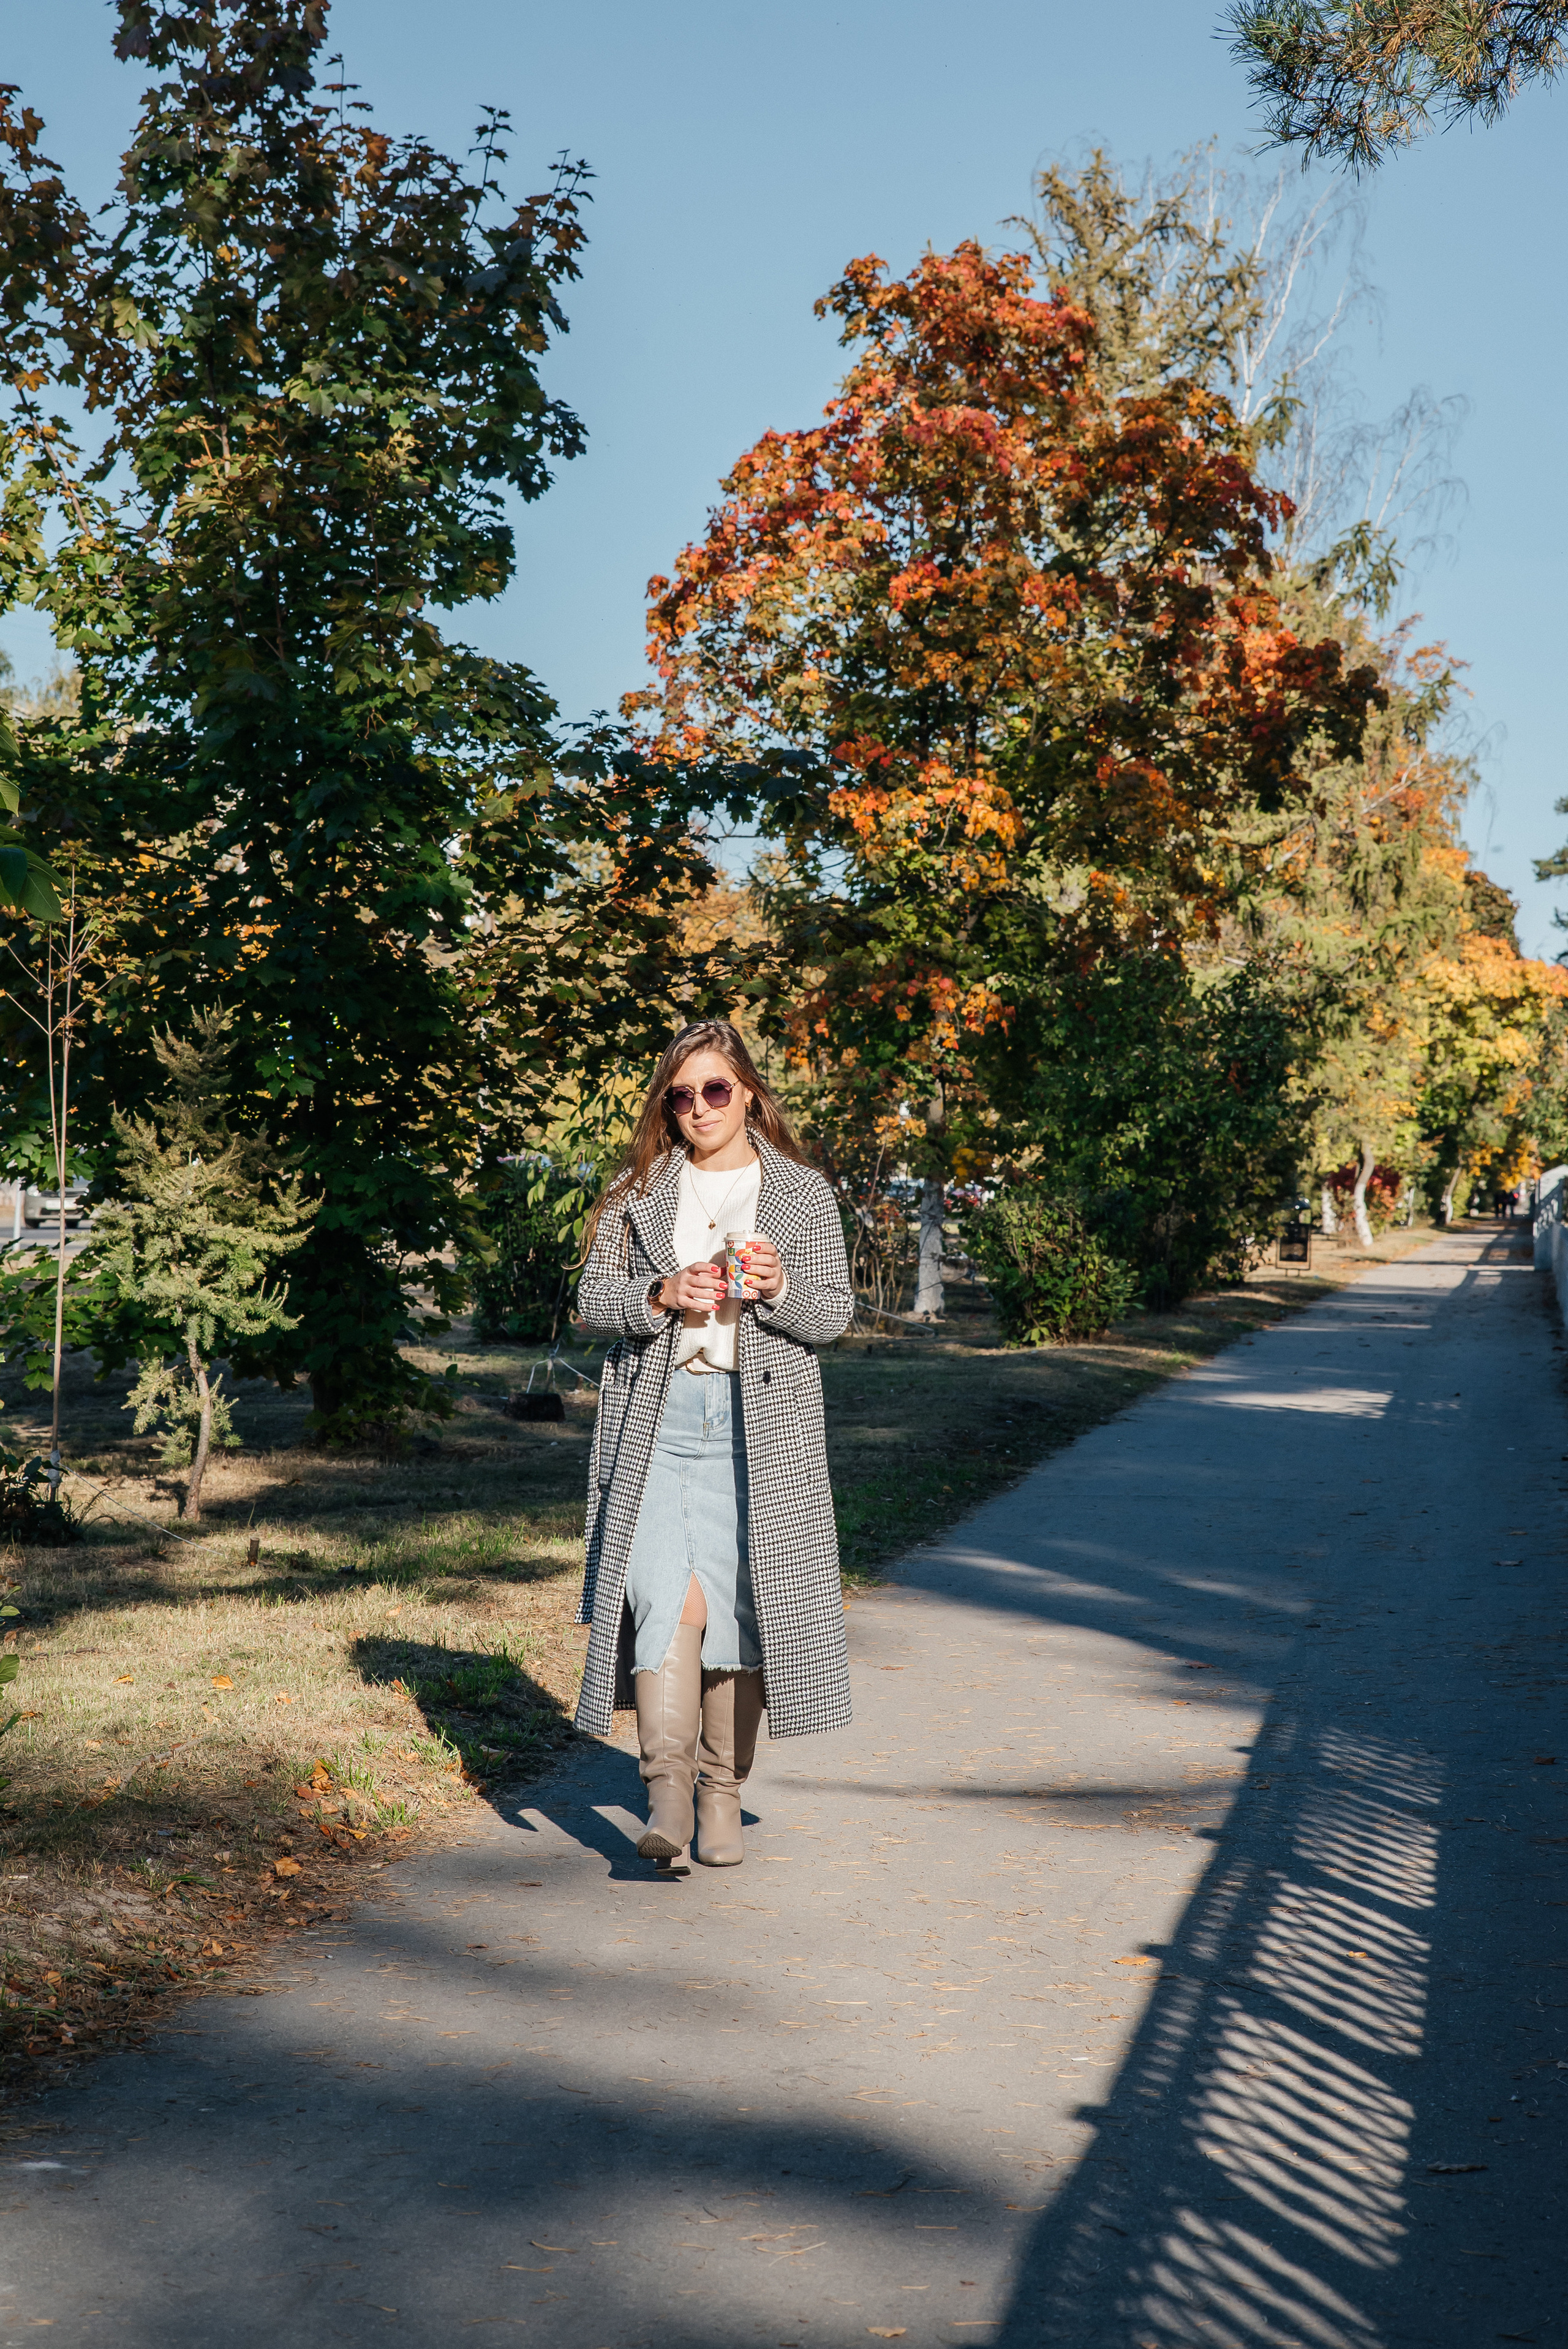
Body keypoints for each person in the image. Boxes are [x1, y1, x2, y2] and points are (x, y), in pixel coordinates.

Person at [573, 1019, 854, 1867]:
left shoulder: (801, 1195)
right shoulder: (640, 1191)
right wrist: (657, 1292)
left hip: (757, 1428)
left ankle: (721, 1791)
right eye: (682, 1093)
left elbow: (835, 1314)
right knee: (665, 1594)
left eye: (716, 1089)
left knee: (739, 1610)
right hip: (657, 1421)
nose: (699, 1106)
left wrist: (779, 1287)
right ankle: (666, 1795)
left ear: (749, 1093)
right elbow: (592, 1297)